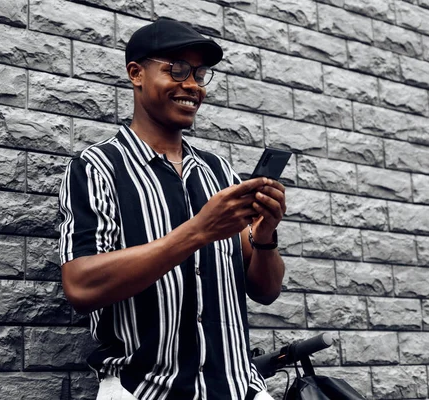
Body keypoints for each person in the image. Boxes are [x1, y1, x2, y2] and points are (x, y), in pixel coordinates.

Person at [58, 18, 286, 400]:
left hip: (237, 389)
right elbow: (81, 286)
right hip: (144, 391)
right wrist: (197, 231)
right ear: (136, 74)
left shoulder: (219, 172)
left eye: (199, 73)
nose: (193, 84)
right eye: (176, 69)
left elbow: (266, 290)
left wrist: (264, 238)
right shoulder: (97, 168)